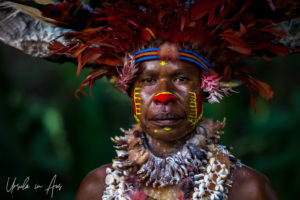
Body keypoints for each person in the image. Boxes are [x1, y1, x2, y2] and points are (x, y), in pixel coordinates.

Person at [1, 0, 299, 199]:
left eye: (182, 78)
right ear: (129, 91)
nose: (164, 96)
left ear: (205, 88)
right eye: (147, 80)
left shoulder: (248, 189)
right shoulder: (98, 188)